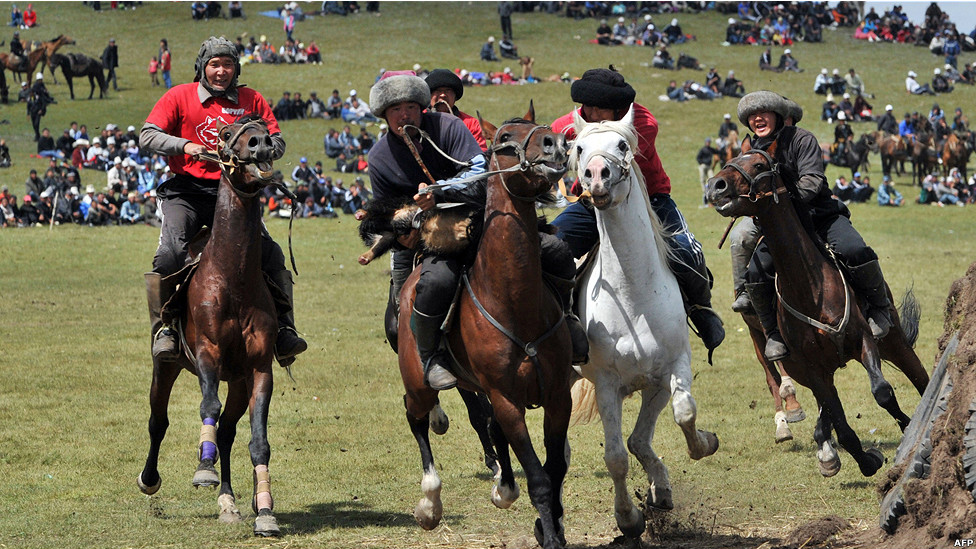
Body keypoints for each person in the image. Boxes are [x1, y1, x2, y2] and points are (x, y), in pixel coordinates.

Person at [365, 70, 586, 390]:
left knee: (557, 251)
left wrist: (440, 191)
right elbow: (387, 211)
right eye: (396, 110)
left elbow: (479, 170)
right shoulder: (379, 157)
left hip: (481, 217)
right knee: (437, 281)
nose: (405, 115)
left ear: (422, 107)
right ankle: (430, 356)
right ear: (384, 115)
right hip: (433, 237)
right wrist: (407, 223)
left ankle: (566, 321)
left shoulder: (450, 127)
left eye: (411, 107)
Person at [139, 36, 306, 367]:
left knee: (271, 254)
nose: (221, 71)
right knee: (171, 253)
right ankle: (164, 329)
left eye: (227, 64)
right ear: (202, 67)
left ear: (236, 68)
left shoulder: (251, 99)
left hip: (233, 195)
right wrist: (187, 147)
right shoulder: (179, 95)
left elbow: (278, 140)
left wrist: (263, 150)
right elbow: (147, 135)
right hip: (185, 192)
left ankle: (285, 329)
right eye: (214, 64)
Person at [550, 67, 725, 352]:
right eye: (588, 108)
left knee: (684, 248)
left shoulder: (642, 123)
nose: (591, 114)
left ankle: (701, 310)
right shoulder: (565, 126)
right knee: (552, 247)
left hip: (650, 201)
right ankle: (564, 317)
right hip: (591, 203)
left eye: (599, 109)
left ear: (617, 108)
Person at [736, 90, 895, 361]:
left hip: (820, 215)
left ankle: (880, 308)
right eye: (752, 116)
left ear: (778, 116)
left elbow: (812, 180)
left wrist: (783, 203)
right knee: (754, 273)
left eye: (762, 114)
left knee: (853, 248)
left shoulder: (803, 139)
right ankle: (773, 332)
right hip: (783, 227)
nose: (757, 119)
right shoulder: (753, 152)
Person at [425, 68, 487, 151]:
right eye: (438, 91)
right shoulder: (418, 119)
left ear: (455, 96)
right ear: (429, 95)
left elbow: (479, 155)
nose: (443, 95)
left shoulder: (471, 124)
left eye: (448, 90)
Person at [27, 73, 54, 142]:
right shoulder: (30, 98)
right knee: (34, 125)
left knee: (36, 124)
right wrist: (28, 113)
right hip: (33, 112)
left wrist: (41, 109)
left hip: (38, 111)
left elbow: (43, 102)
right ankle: (37, 135)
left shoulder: (38, 97)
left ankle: (37, 136)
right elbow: (28, 106)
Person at [696, 137, 719, 207]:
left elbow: (717, 152)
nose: (708, 143)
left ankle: (710, 189)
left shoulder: (710, 149)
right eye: (707, 142)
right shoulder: (703, 149)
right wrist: (701, 163)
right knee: (702, 179)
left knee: (711, 177)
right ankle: (704, 191)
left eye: (709, 142)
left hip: (709, 166)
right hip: (703, 166)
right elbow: (698, 157)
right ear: (705, 142)